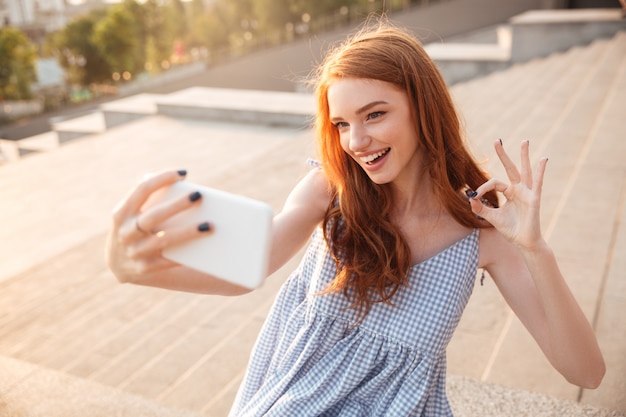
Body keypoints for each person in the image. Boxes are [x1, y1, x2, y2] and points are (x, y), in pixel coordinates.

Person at [105, 21, 605, 416]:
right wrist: (137, 271)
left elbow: (585, 373)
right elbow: (250, 267)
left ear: (422, 107)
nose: (355, 142)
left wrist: (535, 249)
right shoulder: (332, 189)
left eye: (374, 115)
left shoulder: (482, 233)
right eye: (342, 123)